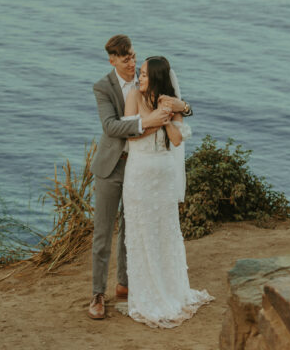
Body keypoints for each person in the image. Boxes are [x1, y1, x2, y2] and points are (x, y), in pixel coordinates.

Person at [89, 35, 192, 321]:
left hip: (141, 168)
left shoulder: (145, 81)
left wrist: (182, 108)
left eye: (134, 57)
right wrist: (149, 121)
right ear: (112, 60)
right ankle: (98, 293)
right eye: (126, 59)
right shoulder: (103, 87)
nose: (133, 63)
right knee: (103, 231)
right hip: (113, 166)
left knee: (131, 227)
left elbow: (173, 104)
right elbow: (111, 127)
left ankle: (125, 283)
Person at [121, 55, 213, 328]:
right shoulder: (132, 98)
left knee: (164, 233)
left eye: (146, 74)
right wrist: (154, 120)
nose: (140, 78)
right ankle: (145, 296)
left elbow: (175, 140)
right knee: (141, 234)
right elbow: (130, 134)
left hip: (162, 176)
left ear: (158, 78)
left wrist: (169, 116)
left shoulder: (169, 103)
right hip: (138, 175)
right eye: (141, 73)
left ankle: (170, 290)